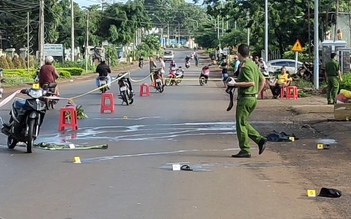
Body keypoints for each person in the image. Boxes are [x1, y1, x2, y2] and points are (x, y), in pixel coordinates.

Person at [226, 44, 267, 158]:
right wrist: (257, 93)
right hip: (252, 98)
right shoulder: (253, 65)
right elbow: (262, 79)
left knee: (240, 124)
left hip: (245, 98)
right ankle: (259, 140)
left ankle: (246, 149)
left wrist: (235, 84)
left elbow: (251, 82)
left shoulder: (246, 66)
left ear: (239, 54)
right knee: (243, 122)